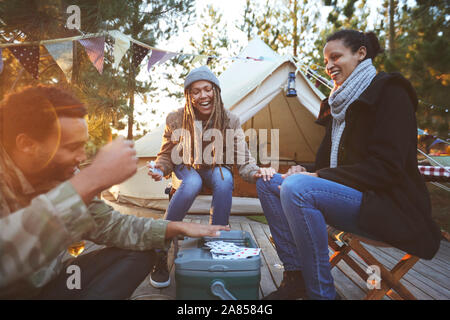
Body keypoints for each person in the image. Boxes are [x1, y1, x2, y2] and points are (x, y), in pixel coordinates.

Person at [256, 29, 441, 300]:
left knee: (298, 189)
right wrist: (304, 170)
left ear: (360, 54)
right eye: (326, 60)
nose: (329, 65)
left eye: (335, 57)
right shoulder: (337, 103)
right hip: (346, 198)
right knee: (267, 182)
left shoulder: (390, 92)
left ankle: (321, 294)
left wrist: (315, 176)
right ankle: (296, 277)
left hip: (387, 206)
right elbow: (325, 163)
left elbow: (388, 167)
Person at [0, 85, 230, 299]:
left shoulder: (56, 173)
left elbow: (111, 226)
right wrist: (91, 179)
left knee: (142, 248)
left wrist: (173, 227)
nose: (81, 157)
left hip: (50, 283)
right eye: (72, 147)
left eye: (83, 145)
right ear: (27, 144)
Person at [148, 66, 275, 288]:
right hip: (185, 166)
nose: (202, 96)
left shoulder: (230, 120)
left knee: (225, 180)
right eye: (195, 91)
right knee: (192, 183)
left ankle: (217, 242)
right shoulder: (175, 118)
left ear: (215, 91)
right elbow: (166, 154)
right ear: (189, 96)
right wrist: (159, 169)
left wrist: (255, 171)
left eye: (207, 89)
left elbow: (244, 158)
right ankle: (161, 248)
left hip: (215, 167)